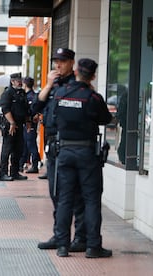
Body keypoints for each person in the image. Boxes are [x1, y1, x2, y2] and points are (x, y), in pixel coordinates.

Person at [53, 58, 112, 258]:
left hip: (65, 153)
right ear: (93, 75)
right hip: (87, 153)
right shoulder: (93, 97)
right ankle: (93, 246)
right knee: (91, 200)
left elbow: (53, 117)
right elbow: (106, 119)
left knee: (65, 200)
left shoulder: (61, 93)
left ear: (76, 71)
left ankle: (62, 246)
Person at [32, 48, 86, 252]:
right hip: (54, 147)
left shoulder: (77, 85)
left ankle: (80, 238)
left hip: (72, 146)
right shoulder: (52, 85)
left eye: (62, 61)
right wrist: (47, 85)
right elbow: (35, 108)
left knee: (76, 195)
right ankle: (60, 235)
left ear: (72, 62)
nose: (58, 65)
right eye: (56, 61)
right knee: (57, 193)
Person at [0, 73, 29, 181]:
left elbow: (25, 109)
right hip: (10, 125)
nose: (20, 82)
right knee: (7, 150)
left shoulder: (21, 93)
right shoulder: (8, 93)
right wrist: (12, 123)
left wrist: (28, 121)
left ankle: (14, 172)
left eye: (20, 80)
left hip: (20, 125)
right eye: (17, 80)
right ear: (12, 81)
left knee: (18, 149)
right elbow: (5, 109)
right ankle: (3, 173)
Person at [19, 77, 40, 173]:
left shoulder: (30, 96)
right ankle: (21, 164)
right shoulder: (32, 95)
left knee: (31, 144)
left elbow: (32, 110)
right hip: (28, 123)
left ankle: (35, 165)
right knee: (26, 145)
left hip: (30, 123)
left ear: (25, 84)